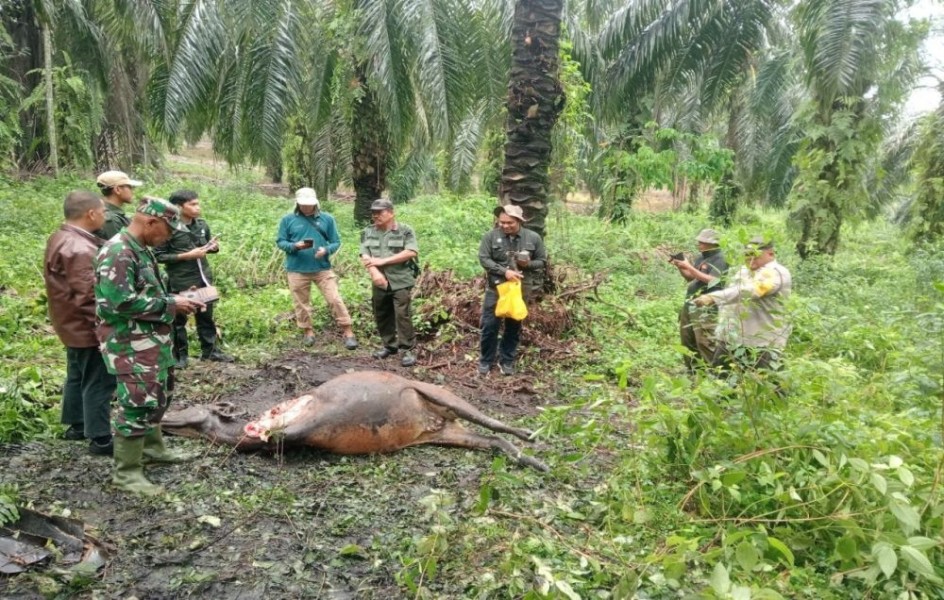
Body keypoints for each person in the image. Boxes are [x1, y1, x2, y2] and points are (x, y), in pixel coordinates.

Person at [95, 197, 205, 496]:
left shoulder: (142, 250)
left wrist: (181, 298)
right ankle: (126, 473)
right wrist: (172, 303)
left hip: (153, 340)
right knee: (136, 403)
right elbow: (119, 302)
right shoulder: (118, 251)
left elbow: (146, 291)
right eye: (168, 231)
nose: (168, 238)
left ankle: (154, 449)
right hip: (130, 343)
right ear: (151, 222)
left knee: (159, 395)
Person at [43, 191, 117, 456]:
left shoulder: (60, 237)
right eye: (103, 212)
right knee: (99, 380)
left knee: (77, 375)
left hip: (69, 324)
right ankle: (100, 438)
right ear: (91, 214)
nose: (105, 216)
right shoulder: (81, 249)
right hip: (85, 327)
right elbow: (89, 297)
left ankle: (77, 425)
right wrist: (104, 331)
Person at [155, 190, 233, 367]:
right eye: (192, 204)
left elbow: (205, 247)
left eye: (198, 203)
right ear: (179, 207)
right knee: (179, 320)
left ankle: (210, 351)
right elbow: (158, 255)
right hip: (181, 280)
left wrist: (212, 247)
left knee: (206, 316)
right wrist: (185, 256)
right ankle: (180, 356)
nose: (198, 208)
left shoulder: (201, 225)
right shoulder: (169, 227)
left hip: (203, 278)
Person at [693, 236, 792, 371]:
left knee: (770, 385)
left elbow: (750, 291)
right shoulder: (743, 271)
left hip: (762, 342)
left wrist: (714, 297)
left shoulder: (776, 272)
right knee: (721, 381)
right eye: (746, 255)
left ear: (770, 254)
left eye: (755, 255)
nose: (750, 260)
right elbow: (731, 296)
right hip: (731, 338)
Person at [276, 188, 358, 349]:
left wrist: (326, 250)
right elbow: (280, 241)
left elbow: (335, 242)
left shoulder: (327, 219)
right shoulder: (288, 220)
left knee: (334, 299)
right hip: (297, 269)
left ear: (316, 203)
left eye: (310, 205)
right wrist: (294, 246)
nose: (307, 208)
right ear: (297, 203)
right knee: (301, 303)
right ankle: (308, 332)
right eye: (303, 205)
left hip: (322, 269)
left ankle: (348, 332)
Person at [477, 205, 547, 376]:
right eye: (502, 222)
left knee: (514, 325)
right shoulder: (490, 237)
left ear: (519, 221)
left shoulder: (533, 238)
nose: (505, 226)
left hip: (520, 290)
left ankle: (507, 361)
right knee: (489, 325)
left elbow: (542, 261)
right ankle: (486, 361)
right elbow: (484, 259)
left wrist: (527, 264)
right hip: (497, 288)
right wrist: (504, 272)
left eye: (510, 223)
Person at [359, 199, 420, 367]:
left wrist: (382, 261)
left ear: (391, 213)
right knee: (382, 313)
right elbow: (364, 254)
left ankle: (407, 349)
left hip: (400, 279)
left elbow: (411, 252)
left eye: (380, 212)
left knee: (402, 314)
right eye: (374, 212)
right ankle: (389, 345)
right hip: (379, 280)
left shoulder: (405, 230)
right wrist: (374, 272)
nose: (376, 215)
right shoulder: (368, 232)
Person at [670, 228, 728, 372]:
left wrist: (689, 266)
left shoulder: (721, 259)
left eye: (703, 241)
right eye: (700, 241)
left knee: (705, 341)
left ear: (712, 243)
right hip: (691, 302)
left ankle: (712, 373)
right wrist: (681, 267)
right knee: (687, 338)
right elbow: (691, 277)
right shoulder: (701, 257)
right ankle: (692, 369)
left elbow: (714, 281)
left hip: (707, 306)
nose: (699, 243)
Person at [94, 170, 142, 240]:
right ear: (117, 190)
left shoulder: (114, 215)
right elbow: (118, 249)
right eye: (130, 187)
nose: (132, 191)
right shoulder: (111, 219)